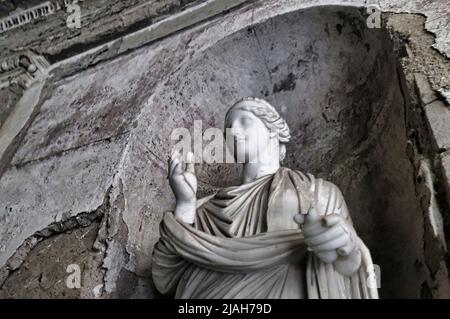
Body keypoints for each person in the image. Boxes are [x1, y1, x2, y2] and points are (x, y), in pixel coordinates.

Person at [152, 97, 378, 299]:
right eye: (228, 128)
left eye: (245, 122)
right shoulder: (205, 209)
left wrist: (343, 245)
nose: (234, 131)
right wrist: (185, 203)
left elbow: (348, 267)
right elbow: (166, 278)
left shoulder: (317, 193)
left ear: (272, 130)